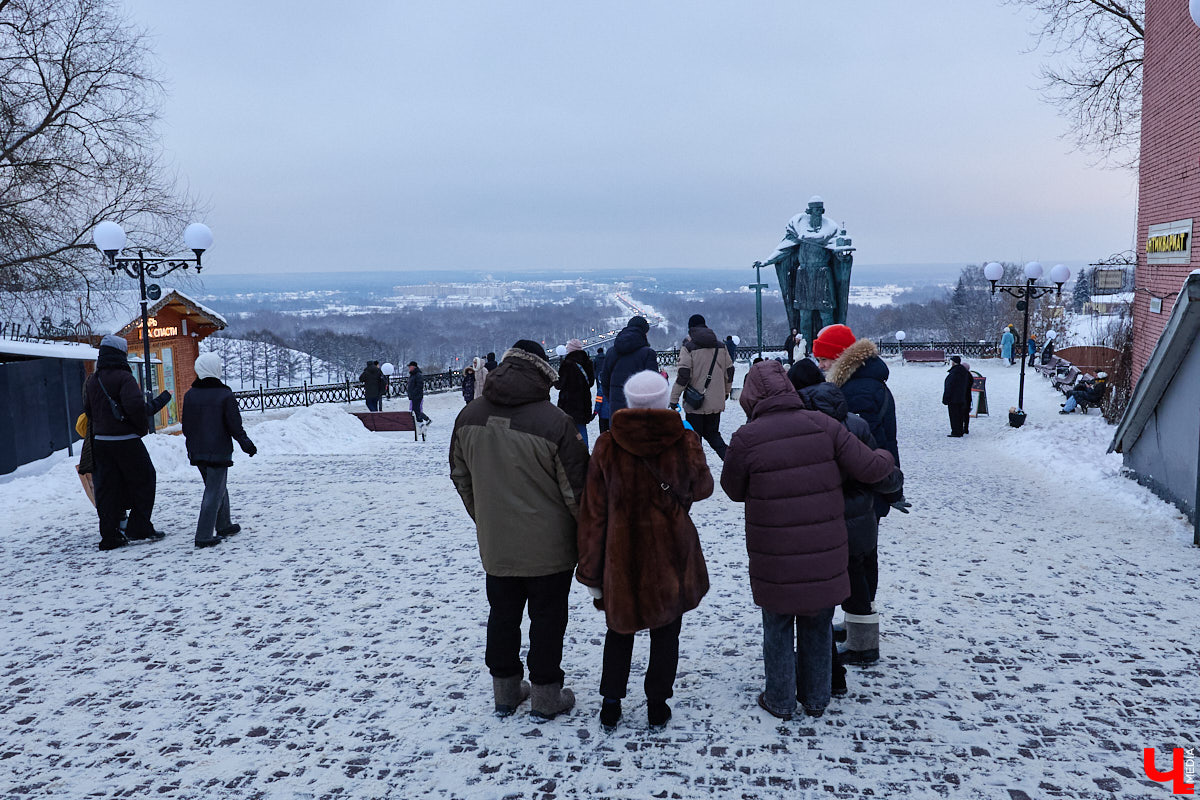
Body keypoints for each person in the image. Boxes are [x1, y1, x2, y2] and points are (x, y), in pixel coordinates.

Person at [721, 360, 895, 719]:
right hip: (823, 550)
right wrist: (885, 455)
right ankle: (816, 698)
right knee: (817, 623)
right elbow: (873, 469)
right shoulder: (824, 426)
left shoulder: (746, 438)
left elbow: (733, 489)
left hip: (775, 554)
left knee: (778, 625)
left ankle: (780, 700)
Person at [450, 340, 590, 720]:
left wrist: (486, 518)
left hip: (497, 543)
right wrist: (589, 539)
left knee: (502, 615)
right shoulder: (554, 422)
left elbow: (461, 477)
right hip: (550, 547)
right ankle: (546, 696)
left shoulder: (468, 417)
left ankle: (506, 691)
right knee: (547, 619)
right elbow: (578, 493)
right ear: (542, 374)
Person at [575, 370, 713, 732]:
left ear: (629, 402)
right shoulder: (684, 440)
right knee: (667, 631)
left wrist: (591, 572)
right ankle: (657, 704)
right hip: (671, 554)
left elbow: (593, 513)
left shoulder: (607, 444)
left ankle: (611, 702)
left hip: (622, 556)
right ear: (661, 399)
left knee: (618, 630)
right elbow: (703, 488)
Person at [787, 358, 904, 698]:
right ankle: (856, 643)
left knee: (834, 590)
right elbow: (875, 466)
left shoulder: (809, 427)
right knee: (860, 579)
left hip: (830, 520)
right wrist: (893, 490)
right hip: (862, 516)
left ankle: (859, 650)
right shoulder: (852, 421)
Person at [813, 323, 905, 665]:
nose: (819, 364)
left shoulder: (858, 391)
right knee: (860, 560)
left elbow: (860, 447)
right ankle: (856, 624)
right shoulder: (861, 382)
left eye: (823, 358)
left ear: (840, 357)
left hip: (862, 489)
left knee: (856, 564)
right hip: (871, 486)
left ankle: (863, 644)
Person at [83, 334, 171, 551]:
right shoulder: (124, 378)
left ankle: (110, 535)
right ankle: (139, 527)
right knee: (145, 480)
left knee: (107, 488)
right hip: (126, 441)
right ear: (121, 354)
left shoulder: (93, 380)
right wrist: (141, 427)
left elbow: (88, 410)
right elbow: (136, 409)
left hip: (101, 443)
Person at [183, 352, 257, 548]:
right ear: (215, 370)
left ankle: (224, 525)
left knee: (217, 487)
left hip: (197, 451)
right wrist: (246, 444)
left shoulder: (190, 395)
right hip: (218, 450)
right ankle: (204, 535)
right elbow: (234, 425)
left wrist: (192, 445)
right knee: (213, 492)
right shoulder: (225, 395)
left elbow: (187, 427)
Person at [668, 314, 734, 460]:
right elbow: (729, 371)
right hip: (715, 402)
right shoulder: (721, 347)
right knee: (714, 435)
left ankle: (697, 474)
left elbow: (683, 376)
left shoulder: (688, 348)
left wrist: (673, 399)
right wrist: (725, 392)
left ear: (690, 329)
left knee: (694, 441)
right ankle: (734, 464)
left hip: (695, 403)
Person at [600, 316, 658, 416]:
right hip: (641, 411)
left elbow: (604, 381)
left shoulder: (611, 352)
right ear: (644, 332)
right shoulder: (648, 353)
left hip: (617, 412)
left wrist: (613, 399)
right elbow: (653, 385)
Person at [554, 339, 595, 446]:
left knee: (567, 432)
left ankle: (571, 456)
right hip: (583, 402)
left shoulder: (567, 364)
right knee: (582, 429)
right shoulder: (588, 362)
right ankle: (584, 454)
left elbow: (559, 385)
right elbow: (590, 383)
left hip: (569, 403)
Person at [943, 355, 972, 438]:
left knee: (954, 415)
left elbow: (949, 385)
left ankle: (956, 431)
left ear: (953, 363)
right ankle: (960, 430)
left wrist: (946, 397)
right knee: (960, 415)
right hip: (962, 397)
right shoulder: (964, 372)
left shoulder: (954, 372)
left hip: (953, 398)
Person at [592, 347, 612, 434]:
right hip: (612, 414)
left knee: (604, 433)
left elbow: (599, 401)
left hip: (603, 416)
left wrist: (595, 412)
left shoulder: (596, 358)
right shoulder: (606, 357)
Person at [407, 362, 431, 429]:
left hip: (417, 396)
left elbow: (419, 385)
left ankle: (422, 421)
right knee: (415, 410)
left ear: (414, 367)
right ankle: (422, 421)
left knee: (416, 410)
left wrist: (414, 393)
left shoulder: (417, 375)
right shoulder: (412, 375)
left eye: (410, 366)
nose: (409, 368)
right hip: (413, 396)